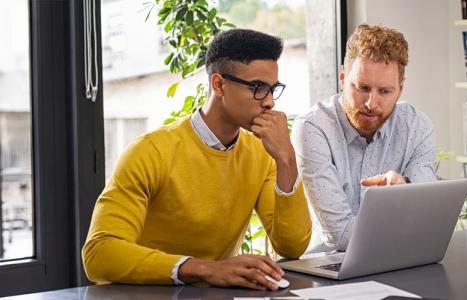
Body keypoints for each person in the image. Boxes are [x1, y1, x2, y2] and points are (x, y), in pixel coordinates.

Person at [83, 29, 311, 291]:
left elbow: (291, 246)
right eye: (258, 88)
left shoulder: (262, 153)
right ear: (219, 85)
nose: (270, 102)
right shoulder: (149, 152)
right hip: (143, 296)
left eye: (273, 89)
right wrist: (204, 268)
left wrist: (287, 160)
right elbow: (99, 254)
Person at [292, 24, 436, 252]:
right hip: (326, 269)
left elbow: (428, 218)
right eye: (362, 87)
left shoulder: (417, 127)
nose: (371, 103)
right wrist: (405, 209)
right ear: (342, 78)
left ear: (400, 88)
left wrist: (406, 187)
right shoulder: (313, 128)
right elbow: (341, 237)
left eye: (385, 91)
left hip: (396, 262)